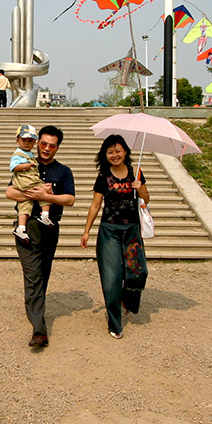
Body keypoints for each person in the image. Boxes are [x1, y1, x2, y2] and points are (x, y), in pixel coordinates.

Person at [5, 126, 75, 348]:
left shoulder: (63, 171)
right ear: (37, 143)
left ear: (57, 147)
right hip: (27, 226)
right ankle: (39, 329)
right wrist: (36, 195)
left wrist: (48, 197)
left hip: (50, 227)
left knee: (43, 273)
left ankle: (37, 308)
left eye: (51, 145)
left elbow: (70, 199)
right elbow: (9, 192)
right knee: (33, 275)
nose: (46, 148)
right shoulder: (24, 163)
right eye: (43, 143)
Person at [80, 134, 149, 340]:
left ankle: (127, 300)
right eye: (110, 152)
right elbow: (95, 205)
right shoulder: (103, 176)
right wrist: (86, 231)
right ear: (105, 155)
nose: (114, 155)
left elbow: (147, 198)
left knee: (139, 272)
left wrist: (140, 188)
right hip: (109, 230)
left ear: (125, 151)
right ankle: (115, 323)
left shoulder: (136, 173)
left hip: (132, 230)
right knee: (111, 279)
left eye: (118, 151)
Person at [10, 124, 53, 241]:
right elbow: (13, 167)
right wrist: (26, 166)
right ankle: (45, 215)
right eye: (24, 140)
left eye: (30, 141)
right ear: (17, 140)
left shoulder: (29, 154)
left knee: (24, 205)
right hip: (25, 179)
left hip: (25, 181)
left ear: (35, 142)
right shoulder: (18, 154)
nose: (27, 143)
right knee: (46, 190)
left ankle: (21, 227)